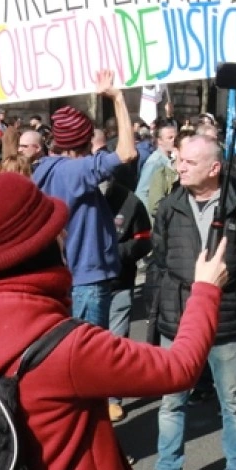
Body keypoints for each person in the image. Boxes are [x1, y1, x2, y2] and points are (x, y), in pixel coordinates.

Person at [0, 172, 231, 470]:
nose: (66, 235)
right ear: (39, 246)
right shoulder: (68, 345)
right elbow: (179, 367)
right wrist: (205, 290)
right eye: (57, 229)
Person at [147, 135, 236, 470]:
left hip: (225, 321)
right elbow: (160, 260)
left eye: (189, 162)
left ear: (214, 168)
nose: (179, 167)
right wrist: (163, 305)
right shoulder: (169, 206)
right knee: (171, 403)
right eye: (179, 160)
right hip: (178, 321)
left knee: (234, 403)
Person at [32, 70, 137, 327]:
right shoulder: (75, 171)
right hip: (85, 280)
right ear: (85, 140)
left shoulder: (45, 169)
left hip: (65, 276)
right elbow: (127, 152)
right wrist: (118, 99)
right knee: (89, 359)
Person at [101, 166, 152, 423]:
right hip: (82, 287)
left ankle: (113, 399)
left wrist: (116, 255)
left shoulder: (131, 202)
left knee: (116, 342)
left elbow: (144, 239)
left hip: (119, 283)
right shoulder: (75, 197)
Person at [137, 122, 179, 214]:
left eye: (175, 137)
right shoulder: (155, 162)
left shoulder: (171, 158)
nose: (174, 141)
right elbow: (141, 192)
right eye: (170, 138)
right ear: (160, 141)